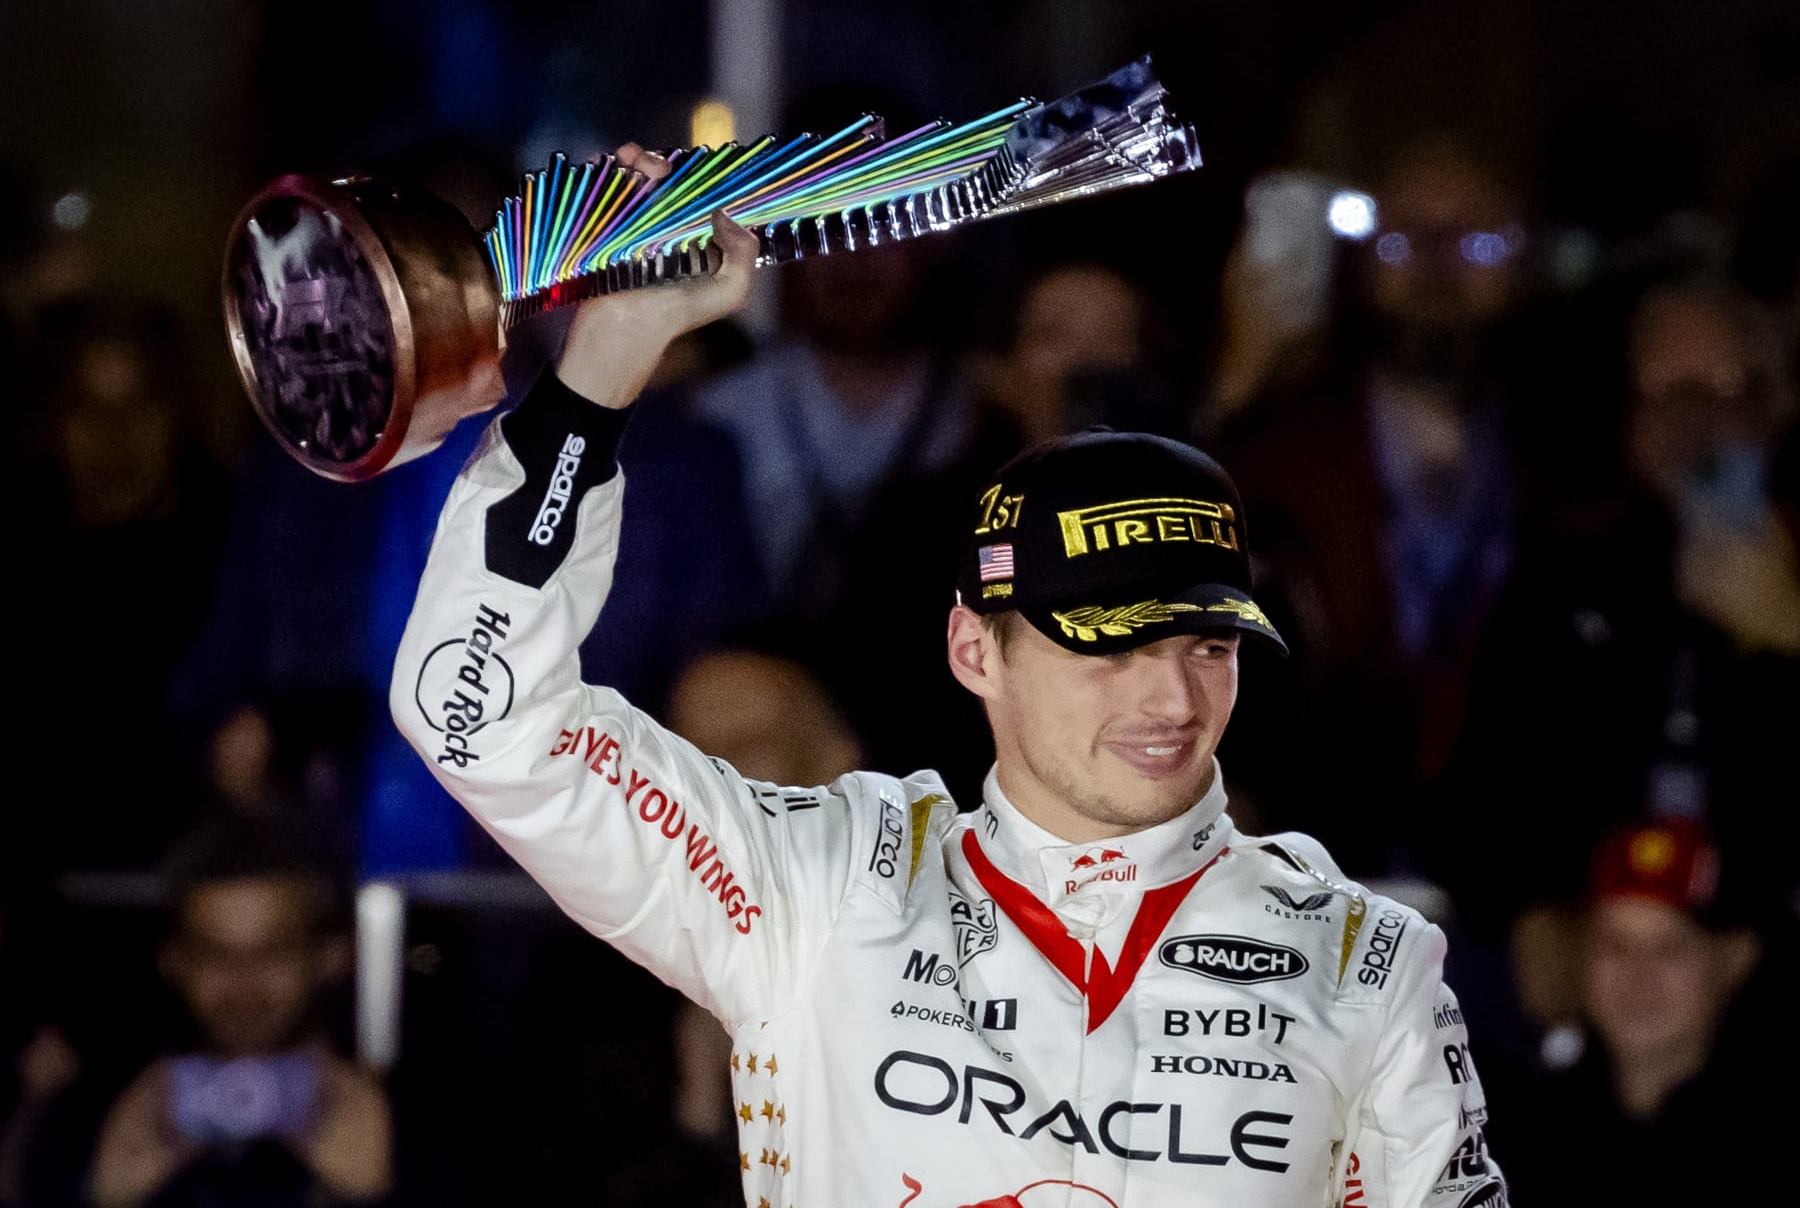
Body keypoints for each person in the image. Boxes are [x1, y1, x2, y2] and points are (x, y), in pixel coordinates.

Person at [389, 144, 1505, 1206]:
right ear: (978, 650)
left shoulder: (1362, 963)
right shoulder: (824, 893)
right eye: (1110, 645)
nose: (1171, 701)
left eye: (1206, 647)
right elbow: (477, 712)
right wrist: (603, 366)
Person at [84, 814, 389, 1208]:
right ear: (173, 961)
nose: (244, 983)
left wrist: (383, 1194)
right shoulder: (99, 1119)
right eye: (215, 953)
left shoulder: (423, 1128)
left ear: (330, 957)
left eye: (273, 950)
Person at [1489, 817, 1779, 1205]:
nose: (1639, 977)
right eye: (1616, 945)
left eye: (1670, 948)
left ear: (1734, 958)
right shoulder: (1509, 1137)